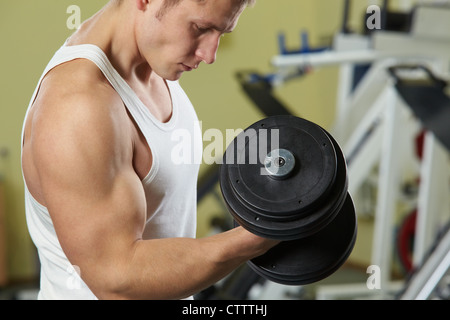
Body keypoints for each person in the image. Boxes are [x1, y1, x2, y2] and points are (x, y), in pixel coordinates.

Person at [21, 0, 279, 300]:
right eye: (201, 28)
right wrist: (261, 238)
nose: (209, 55)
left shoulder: (151, 64)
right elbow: (118, 280)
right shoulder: (79, 106)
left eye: (222, 32)